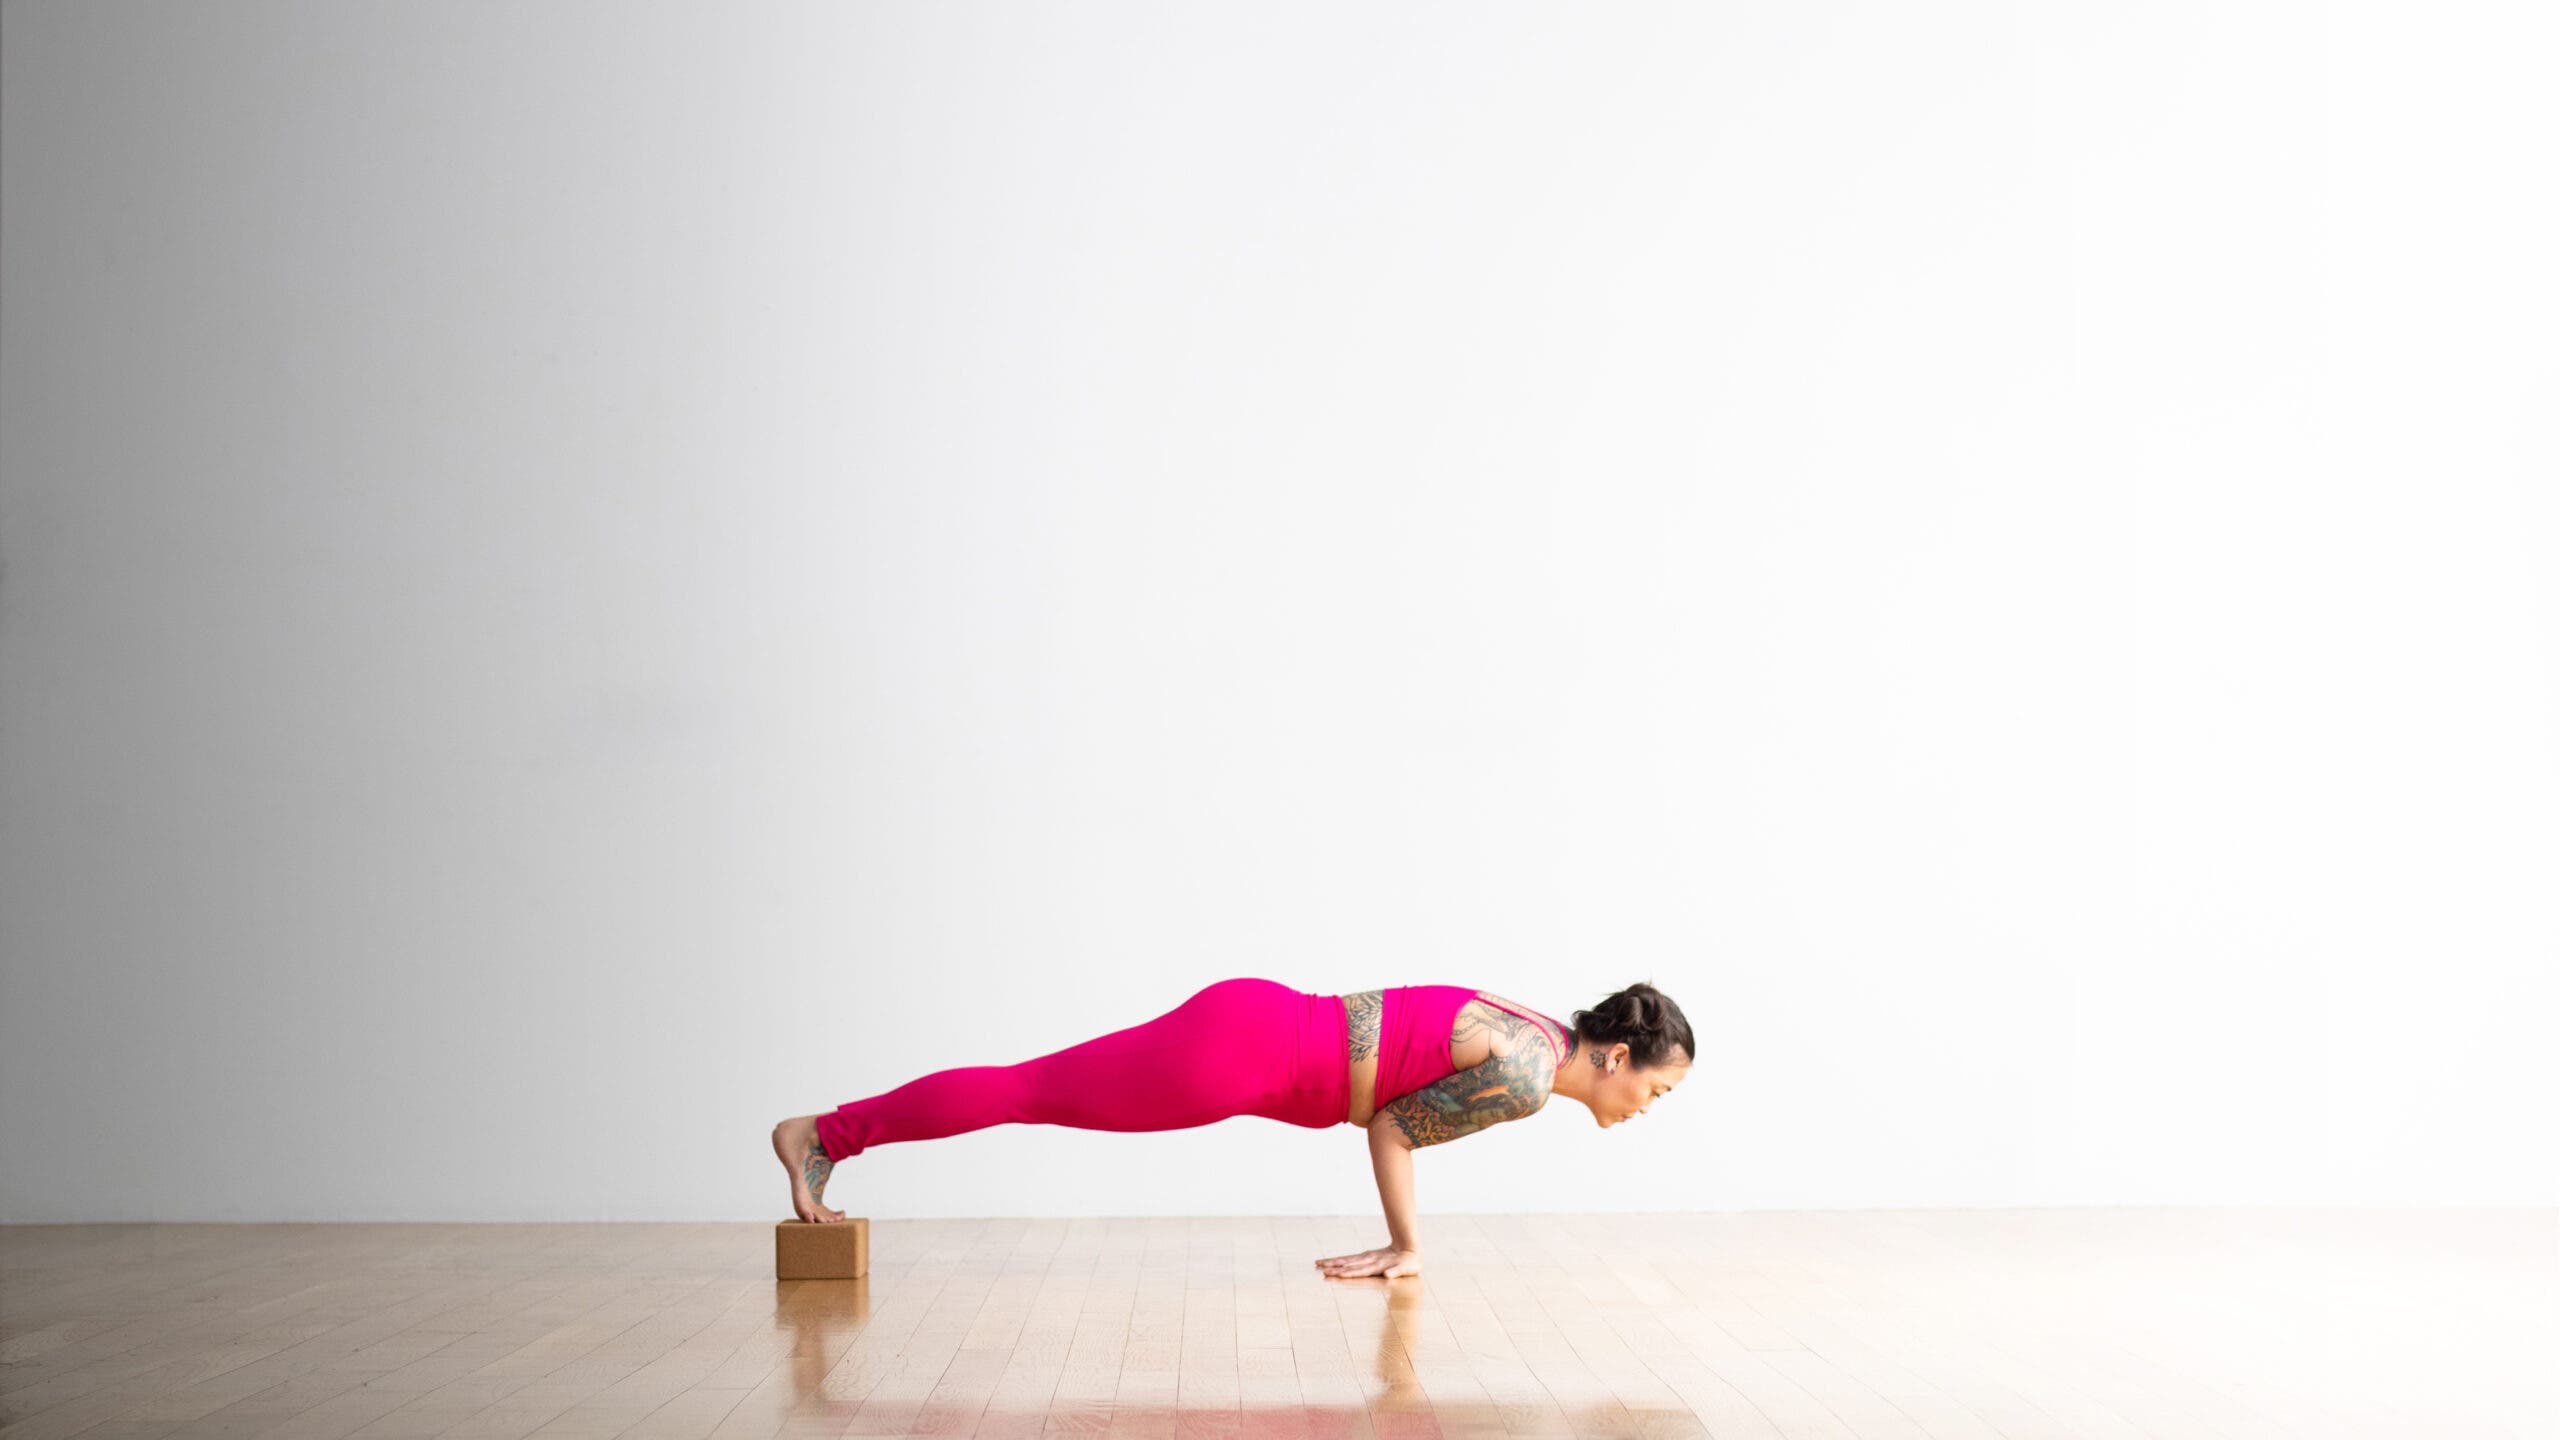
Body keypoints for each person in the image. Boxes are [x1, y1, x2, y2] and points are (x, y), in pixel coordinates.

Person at [768, 977, 1694, 1278]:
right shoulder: (1529, 1075)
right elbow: (1392, 1130)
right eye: (1657, 1089)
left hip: (1255, 1025)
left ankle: (833, 1137)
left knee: (1031, 1087)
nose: (1648, 1109)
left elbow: (1394, 1100)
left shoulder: (1531, 1029)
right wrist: (1405, 1243)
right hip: (1248, 1058)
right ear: (1616, 1057)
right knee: (1028, 1091)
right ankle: (825, 1136)